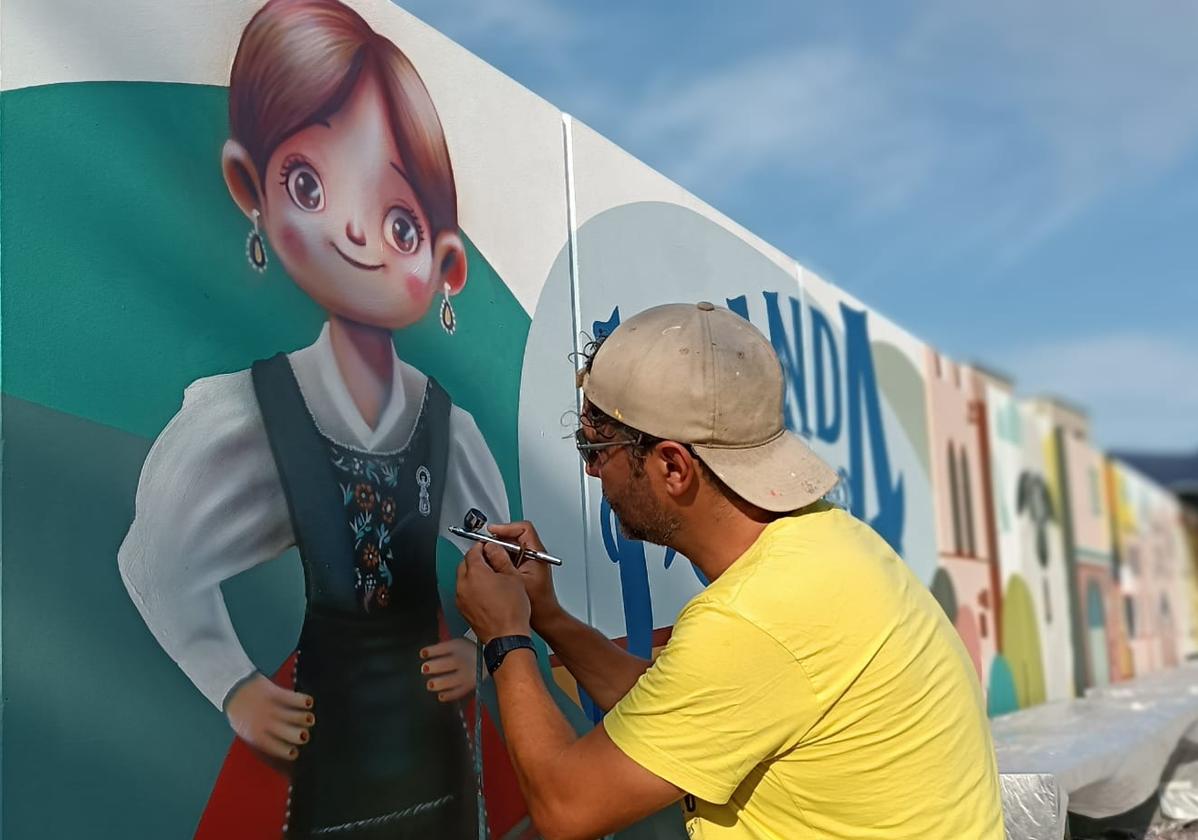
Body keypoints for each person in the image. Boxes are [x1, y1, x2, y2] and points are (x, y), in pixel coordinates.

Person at [118, 1, 503, 835]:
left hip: (436, 760)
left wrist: (483, 650)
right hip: (324, 774)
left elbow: (500, 556)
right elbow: (153, 557)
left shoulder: (450, 428)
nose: (358, 231)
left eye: (400, 221)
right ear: (250, 189)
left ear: (445, 265)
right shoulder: (248, 416)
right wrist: (230, 681)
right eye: (311, 183)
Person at [456, 301, 1005, 839]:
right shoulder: (827, 544)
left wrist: (505, 638)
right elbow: (675, 709)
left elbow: (566, 806)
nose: (593, 472)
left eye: (595, 449)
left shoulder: (753, 619)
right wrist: (546, 615)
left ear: (672, 466)